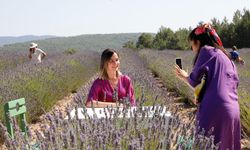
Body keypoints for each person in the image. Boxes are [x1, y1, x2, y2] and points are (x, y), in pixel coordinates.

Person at [175, 23, 241, 149]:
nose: (192, 47)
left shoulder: (206, 51)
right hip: (233, 111)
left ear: (198, 42)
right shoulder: (227, 58)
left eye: (192, 43)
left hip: (214, 109)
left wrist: (184, 75)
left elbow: (194, 81)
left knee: (205, 144)